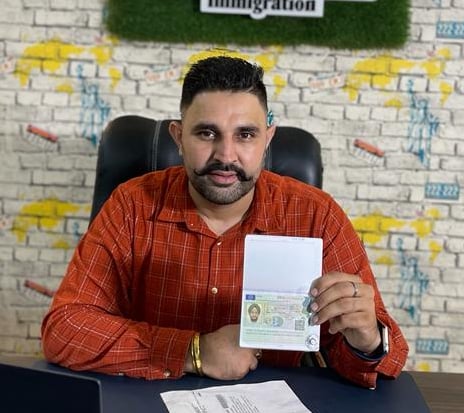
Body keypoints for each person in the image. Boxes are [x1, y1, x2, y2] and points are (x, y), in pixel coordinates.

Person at [41, 56, 408, 388]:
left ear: (267, 139)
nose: (226, 155)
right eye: (207, 133)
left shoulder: (316, 215)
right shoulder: (131, 206)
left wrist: (367, 339)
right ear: (178, 137)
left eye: (245, 135)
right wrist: (193, 351)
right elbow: (64, 330)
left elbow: (387, 361)